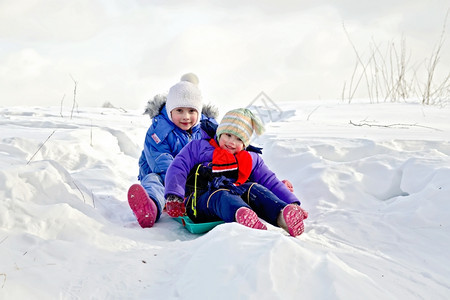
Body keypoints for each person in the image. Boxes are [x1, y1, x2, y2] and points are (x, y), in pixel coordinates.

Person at [164, 108, 308, 237]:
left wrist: (292, 202)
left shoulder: (250, 158)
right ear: (220, 132)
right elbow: (178, 167)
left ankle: (283, 216)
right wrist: (174, 196)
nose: (231, 142)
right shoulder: (199, 148)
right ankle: (242, 215)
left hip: (235, 195)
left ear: (245, 144)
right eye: (228, 135)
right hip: (201, 203)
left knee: (255, 188)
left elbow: (270, 180)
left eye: (239, 139)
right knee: (221, 194)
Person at [127, 73, 219, 228]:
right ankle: (150, 207)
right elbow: (160, 160)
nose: (186, 117)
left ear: (199, 111)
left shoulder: (207, 128)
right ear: (170, 110)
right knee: (154, 181)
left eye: (191, 111)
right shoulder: (159, 131)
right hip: (164, 174)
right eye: (179, 111)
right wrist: (178, 184)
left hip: (195, 177)